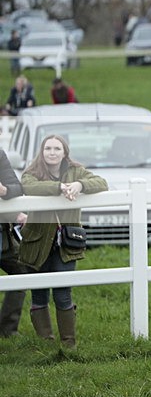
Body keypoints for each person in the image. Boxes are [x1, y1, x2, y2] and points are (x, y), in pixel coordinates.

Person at [17, 135, 107, 348]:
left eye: (57, 148)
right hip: (37, 242)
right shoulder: (32, 173)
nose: (52, 152)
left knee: (63, 292)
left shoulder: (77, 171)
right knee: (38, 293)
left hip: (67, 242)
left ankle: (69, 344)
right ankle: (46, 343)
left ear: (65, 152)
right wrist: (59, 188)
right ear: (42, 151)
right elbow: (29, 187)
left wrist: (79, 185)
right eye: (48, 148)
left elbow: (101, 183)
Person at [0, 148, 26, 338]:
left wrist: (4, 190)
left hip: (4, 238)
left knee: (22, 270)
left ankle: (7, 330)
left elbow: (17, 187)